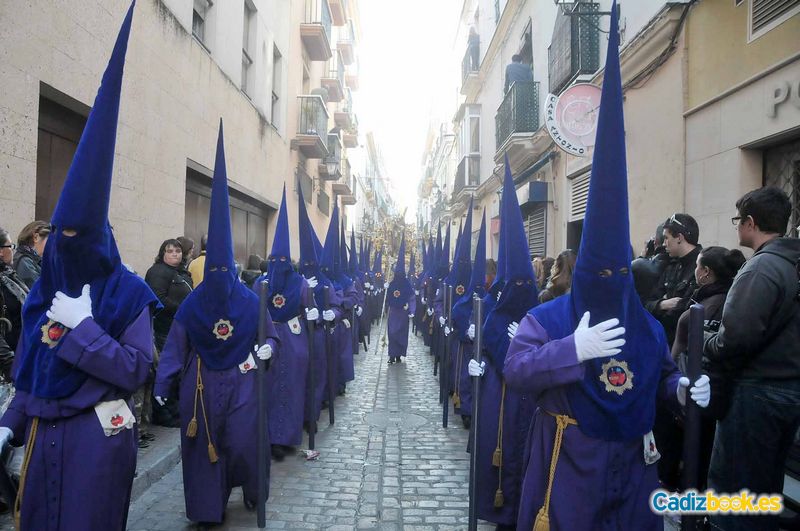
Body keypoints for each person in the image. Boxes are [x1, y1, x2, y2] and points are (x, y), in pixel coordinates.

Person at [502, 8, 709, 528]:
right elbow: (518, 369)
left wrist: (683, 390)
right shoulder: (548, 318)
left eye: (620, 278)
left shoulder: (641, 323)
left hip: (635, 468)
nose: (610, 287)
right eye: (600, 279)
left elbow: (658, 376)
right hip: (573, 464)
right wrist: (573, 348)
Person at [0, 7, 162, 529]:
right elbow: (30, 370)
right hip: (42, 437)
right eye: (59, 236)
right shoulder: (41, 290)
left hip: (98, 435)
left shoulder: (129, 292)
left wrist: (84, 330)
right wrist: (9, 425)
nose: (67, 246)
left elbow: (138, 367)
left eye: (79, 237)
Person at [154, 122, 278, 524]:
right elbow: (176, 345)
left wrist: (267, 349)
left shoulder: (251, 300)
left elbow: (270, 337)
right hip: (202, 383)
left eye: (227, 268)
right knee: (204, 443)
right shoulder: (193, 304)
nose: (221, 275)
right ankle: (208, 508)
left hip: (244, 382)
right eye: (215, 268)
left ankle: (253, 489)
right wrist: (163, 384)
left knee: (244, 441)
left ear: (234, 269)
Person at [704, 186, 800, 531]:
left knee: (737, 487)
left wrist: (708, 343)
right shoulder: (793, 264)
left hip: (757, 392)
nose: (737, 227)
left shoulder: (761, 269)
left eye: (737, 221)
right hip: (788, 391)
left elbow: (736, 337)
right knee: (765, 487)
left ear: (750, 222)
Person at [468, 160, 540, 530]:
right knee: (500, 454)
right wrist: (478, 359)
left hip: (534, 403)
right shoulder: (494, 315)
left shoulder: (542, 316)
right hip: (501, 396)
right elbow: (488, 346)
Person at [667, 246, 746, 494]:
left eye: (698, 267)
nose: (695, 272)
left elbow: (681, 352)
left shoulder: (702, 309)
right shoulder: (731, 300)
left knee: (695, 452)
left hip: (698, 390)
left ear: (706, 272)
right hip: (715, 390)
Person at [253, 185, 315, 461]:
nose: (278, 264)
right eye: (273, 260)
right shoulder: (260, 282)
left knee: (290, 386)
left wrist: (314, 313)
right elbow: (252, 309)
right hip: (266, 336)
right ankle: (267, 435)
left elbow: (308, 307)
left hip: (293, 336)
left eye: (282, 260)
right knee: (267, 387)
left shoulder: (300, 283)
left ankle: (287, 435)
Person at [144, 238, 193, 431]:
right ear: (162, 253)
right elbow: (158, 299)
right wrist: (184, 309)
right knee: (166, 371)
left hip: (181, 328)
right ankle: (164, 415)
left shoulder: (181, 272)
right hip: (165, 329)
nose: (175, 254)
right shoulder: (158, 272)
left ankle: (176, 412)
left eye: (178, 251)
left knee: (179, 372)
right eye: (170, 251)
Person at [644, 213, 702, 345]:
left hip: (685, 345)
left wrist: (661, 308)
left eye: (666, 238)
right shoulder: (671, 265)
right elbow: (647, 304)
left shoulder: (702, 265)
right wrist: (662, 304)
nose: (664, 244)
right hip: (664, 342)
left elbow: (684, 310)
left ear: (679, 238)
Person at [0, 228, 28, 380]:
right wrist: (11, 366)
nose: (13, 250)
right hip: (9, 368)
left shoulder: (9, 275)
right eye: (10, 246)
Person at [386, 234, 415, 364]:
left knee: (401, 334)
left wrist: (411, 310)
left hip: (402, 312)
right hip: (393, 312)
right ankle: (392, 355)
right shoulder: (392, 284)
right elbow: (387, 298)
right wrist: (385, 289)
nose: (399, 275)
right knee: (392, 334)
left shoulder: (407, 284)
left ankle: (398, 355)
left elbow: (411, 297)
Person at [13, 221, 50, 288]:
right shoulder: (25, 261)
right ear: (36, 237)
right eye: (50, 240)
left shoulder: (29, 259)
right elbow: (41, 291)